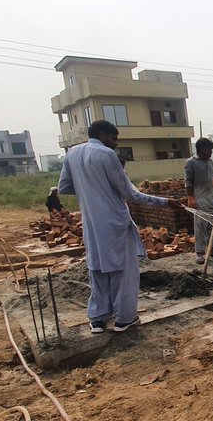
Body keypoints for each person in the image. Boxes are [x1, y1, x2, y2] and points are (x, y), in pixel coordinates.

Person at [58, 120, 184, 334]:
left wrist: (89, 191)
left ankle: (98, 319)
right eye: (113, 138)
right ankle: (124, 319)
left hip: (91, 223)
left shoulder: (72, 154)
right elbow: (131, 194)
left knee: (97, 269)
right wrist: (165, 202)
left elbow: (64, 186)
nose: (115, 144)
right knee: (124, 273)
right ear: (102, 134)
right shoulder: (107, 155)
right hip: (114, 222)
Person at [185, 138, 213, 264]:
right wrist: (191, 198)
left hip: (211, 198)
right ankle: (199, 253)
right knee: (200, 225)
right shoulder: (191, 163)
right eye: (209, 149)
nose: (211, 152)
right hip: (200, 198)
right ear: (201, 149)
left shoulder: (210, 162)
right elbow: (188, 182)